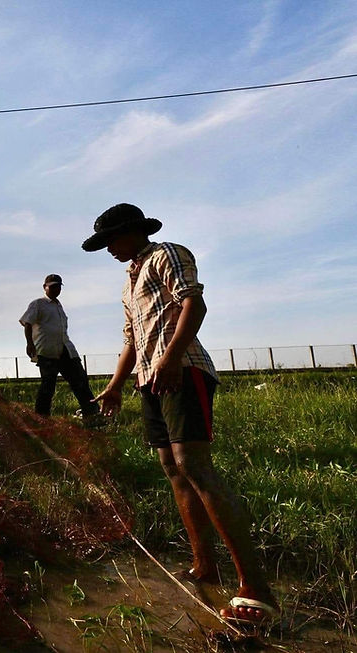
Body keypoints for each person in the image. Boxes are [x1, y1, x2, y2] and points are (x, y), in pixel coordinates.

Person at [84, 203, 277, 626]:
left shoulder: (167, 254)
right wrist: (117, 386)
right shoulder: (128, 283)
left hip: (183, 369)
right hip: (150, 379)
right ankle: (204, 564)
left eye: (112, 241)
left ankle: (256, 590)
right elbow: (133, 339)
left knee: (194, 465)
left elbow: (194, 304)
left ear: (133, 231)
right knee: (172, 467)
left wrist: (170, 359)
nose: (109, 250)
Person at [19, 274, 99, 422]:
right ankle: (41, 418)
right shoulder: (38, 304)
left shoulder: (58, 306)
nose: (56, 289)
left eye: (58, 286)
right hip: (47, 351)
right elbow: (27, 323)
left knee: (80, 380)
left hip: (66, 349)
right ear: (45, 287)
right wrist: (30, 343)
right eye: (52, 286)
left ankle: (92, 414)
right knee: (48, 385)